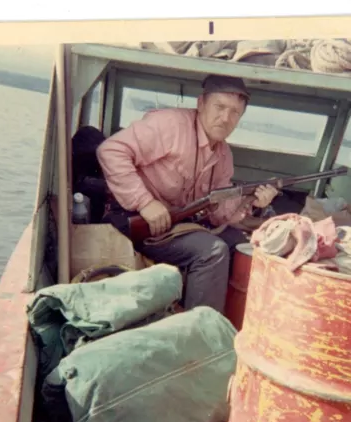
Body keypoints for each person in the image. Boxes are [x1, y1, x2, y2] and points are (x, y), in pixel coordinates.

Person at [96, 74, 279, 313]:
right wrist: (144, 202)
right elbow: (111, 150)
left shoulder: (223, 155)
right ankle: (198, 332)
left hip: (174, 225)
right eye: (219, 107)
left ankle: (233, 321)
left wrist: (252, 202)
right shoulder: (170, 125)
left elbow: (218, 215)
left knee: (242, 245)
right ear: (201, 103)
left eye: (235, 112)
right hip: (133, 219)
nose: (225, 118)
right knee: (212, 251)